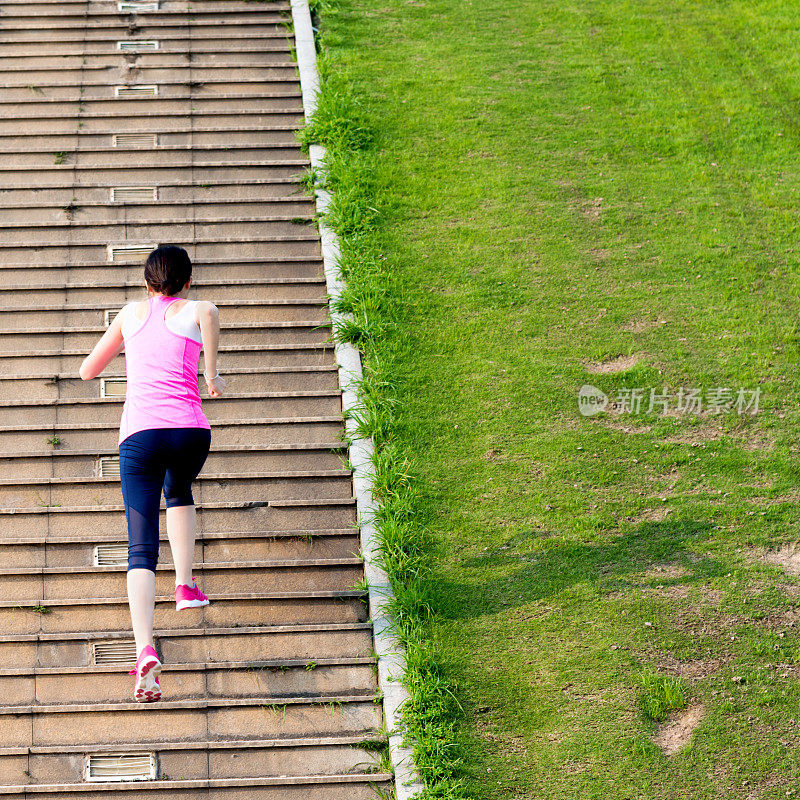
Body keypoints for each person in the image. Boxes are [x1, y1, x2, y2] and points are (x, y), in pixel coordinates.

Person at [79, 245, 225, 703]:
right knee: (178, 489)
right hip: (189, 432)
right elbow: (209, 341)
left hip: (140, 436)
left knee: (140, 546)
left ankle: (145, 648)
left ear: (146, 283)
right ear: (187, 281)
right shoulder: (201, 308)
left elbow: (87, 371)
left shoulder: (128, 314)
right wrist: (212, 376)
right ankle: (185, 585)